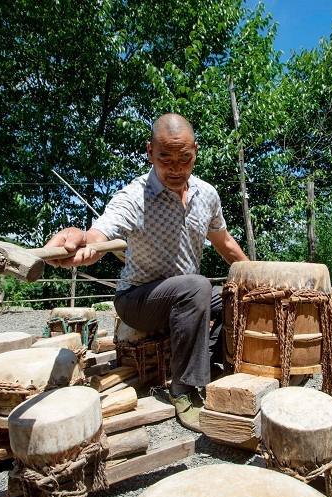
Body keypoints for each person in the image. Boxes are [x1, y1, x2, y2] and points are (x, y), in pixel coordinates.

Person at [45, 113, 248, 431]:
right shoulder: (134, 196)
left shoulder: (206, 195)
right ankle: (182, 389)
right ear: (149, 152)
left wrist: (257, 275)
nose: (176, 167)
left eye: (185, 157)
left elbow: (225, 244)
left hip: (184, 295)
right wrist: (84, 240)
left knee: (238, 297)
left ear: (195, 150)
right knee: (196, 286)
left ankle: (221, 360)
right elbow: (100, 231)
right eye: (165, 157)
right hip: (137, 300)